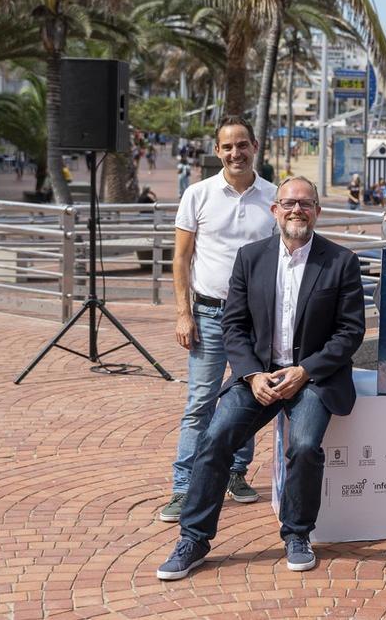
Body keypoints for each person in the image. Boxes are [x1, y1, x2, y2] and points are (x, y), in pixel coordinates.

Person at [156, 176, 366, 579]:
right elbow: (234, 326)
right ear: (275, 211)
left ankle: (298, 533)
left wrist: (306, 371)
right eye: (288, 203)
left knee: (304, 445)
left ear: (318, 212)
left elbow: (350, 332)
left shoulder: (341, 261)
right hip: (260, 378)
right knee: (215, 438)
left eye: (306, 204)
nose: (296, 210)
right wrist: (252, 375)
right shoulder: (251, 257)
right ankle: (194, 538)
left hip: (313, 378)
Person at [160, 116, 277, 524]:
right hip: (209, 314)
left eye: (242, 144)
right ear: (217, 151)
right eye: (227, 146)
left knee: (248, 399)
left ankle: (236, 472)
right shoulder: (198, 194)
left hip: (258, 319)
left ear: (255, 146)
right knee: (200, 403)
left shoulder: (275, 198)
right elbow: (180, 258)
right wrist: (182, 313)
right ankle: (183, 487)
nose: (235, 153)